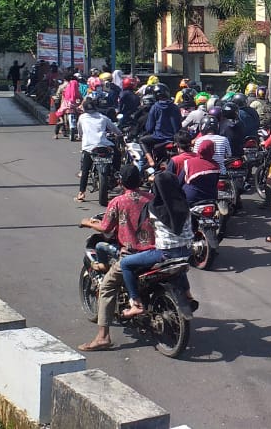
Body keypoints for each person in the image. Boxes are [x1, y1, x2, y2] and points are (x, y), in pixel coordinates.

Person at [78, 165, 155, 351]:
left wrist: (88, 222)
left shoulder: (118, 202)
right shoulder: (152, 198)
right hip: (154, 254)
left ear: (120, 182)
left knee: (106, 287)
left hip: (131, 255)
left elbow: (106, 228)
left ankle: (103, 337)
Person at [75, 99, 121, 203]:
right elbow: (115, 129)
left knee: (85, 170)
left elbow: (80, 131)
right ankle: (116, 173)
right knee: (117, 154)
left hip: (89, 147)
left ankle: (81, 193)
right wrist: (119, 134)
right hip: (105, 145)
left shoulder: (82, 118)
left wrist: (80, 136)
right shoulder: (103, 117)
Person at [167, 131, 219, 206]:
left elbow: (178, 182)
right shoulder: (216, 165)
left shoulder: (185, 162)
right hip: (211, 199)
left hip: (190, 199)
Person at [140, 84, 182, 167]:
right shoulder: (175, 107)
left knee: (142, 140)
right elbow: (179, 125)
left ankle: (150, 160)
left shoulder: (155, 107)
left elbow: (149, 128)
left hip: (158, 138)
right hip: (174, 138)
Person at [55, 75, 82, 140]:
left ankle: (56, 134)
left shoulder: (63, 87)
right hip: (72, 106)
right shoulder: (75, 87)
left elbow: (58, 96)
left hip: (65, 105)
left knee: (61, 120)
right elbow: (80, 97)